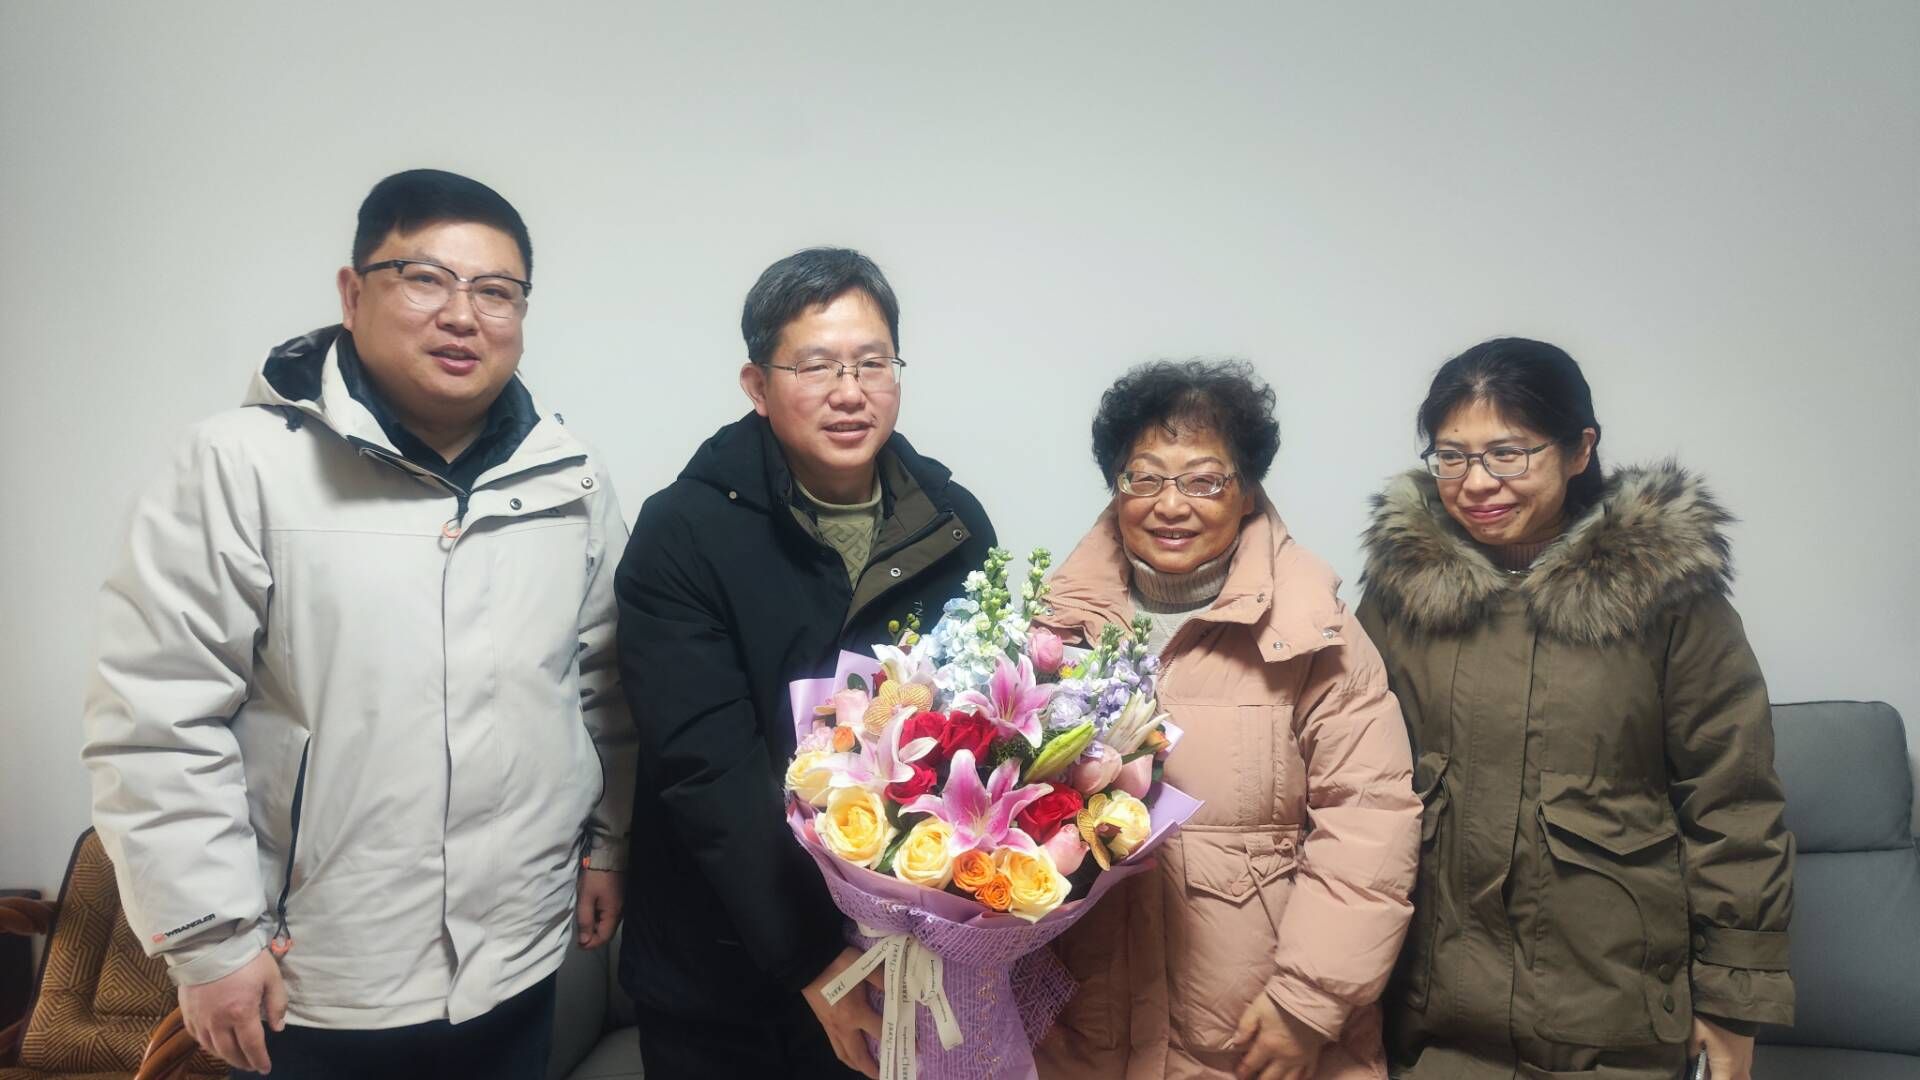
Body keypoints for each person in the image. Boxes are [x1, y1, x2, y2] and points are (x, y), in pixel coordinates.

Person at [82, 169, 635, 1080]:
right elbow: (156, 718)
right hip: (320, 973)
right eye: (426, 278)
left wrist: (608, 847)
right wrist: (210, 942)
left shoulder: (568, 478)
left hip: (520, 957)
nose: (463, 315)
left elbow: (602, 690)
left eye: (496, 292)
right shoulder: (241, 466)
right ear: (352, 293)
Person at [1357, 338, 1794, 1080]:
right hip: (1430, 1028)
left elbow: (1734, 805)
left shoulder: (1665, 595)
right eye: (1452, 457)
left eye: (1508, 453)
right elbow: (1348, 788)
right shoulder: (1401, 596)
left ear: (1579, 449)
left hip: (1615, 1026)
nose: (1477, 482)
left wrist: (1732, 1005)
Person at [614, 247, 997, 1078]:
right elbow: (705, 769)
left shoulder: (953, 525)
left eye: (872, 363)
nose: (850, 392)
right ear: (757, 385)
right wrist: (816, 962)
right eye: (816, 366)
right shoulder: (683, 533)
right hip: (720, 975)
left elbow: (978, 741)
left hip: (902, 964)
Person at [1035, 359, 1421, 1080]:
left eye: (1203, 481)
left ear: (1246, 494)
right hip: (1086, 1033)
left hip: (1256, 1036)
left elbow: (1369, 820)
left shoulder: (1312, 631)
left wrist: (1308, 1002)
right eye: (1144, 478)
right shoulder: (1056, 632)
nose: (1169, 505)